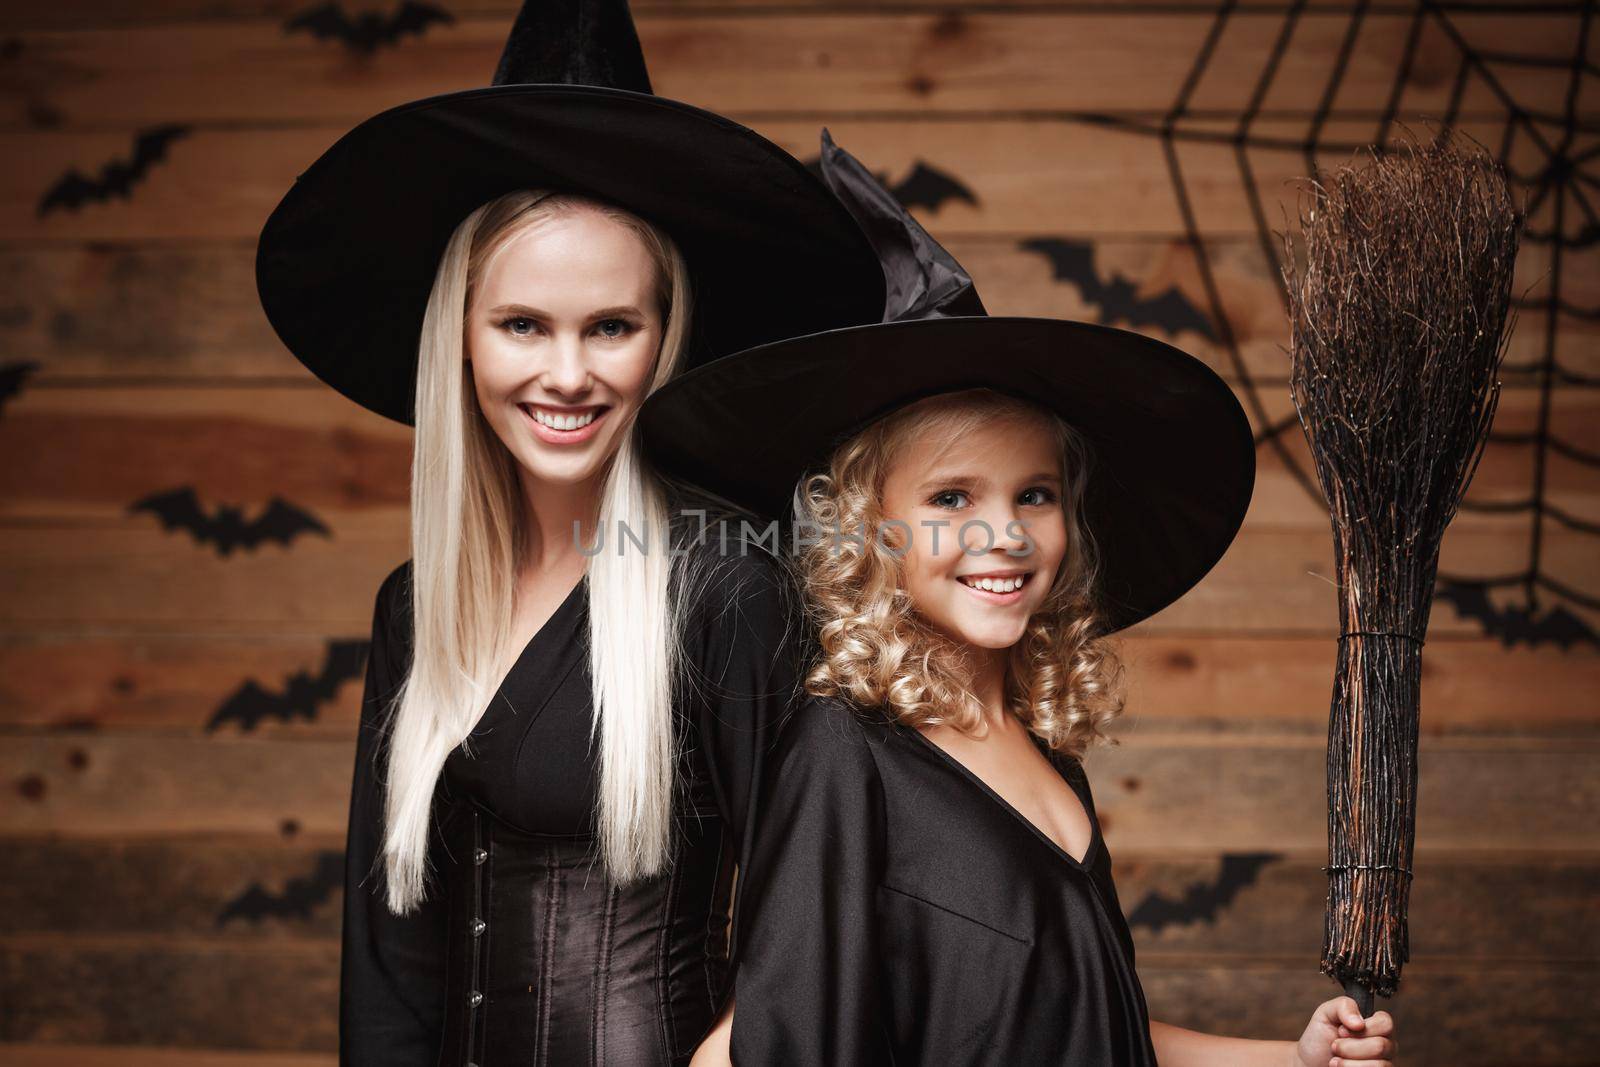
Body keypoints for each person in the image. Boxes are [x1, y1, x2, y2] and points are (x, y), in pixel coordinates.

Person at [642, 131, 1399, 1067]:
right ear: (871, 528)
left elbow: (1088, 1029)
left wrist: (1291, 1057)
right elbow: (771, 1035)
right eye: (952, 497)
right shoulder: (846, 755)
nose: (1003, 533)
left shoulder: (1050, 762)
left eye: (1033, 494)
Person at [254, 3, 885, 1064]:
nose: (566, 373)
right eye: (521, 325)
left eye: (610, 327)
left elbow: (816, 924)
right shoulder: (416, 604)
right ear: (458, 335)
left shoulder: (726, 588)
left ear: (663, 336)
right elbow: (389, 960)